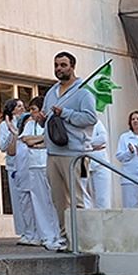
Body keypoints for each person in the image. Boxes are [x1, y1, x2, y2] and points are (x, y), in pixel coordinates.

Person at [43, 52, 98, 239]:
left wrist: (66, 113)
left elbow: (91, 118)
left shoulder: (83, 91)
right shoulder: (51, 92)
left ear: (72, 66)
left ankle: (83, 238)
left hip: (74, 153)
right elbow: (46, 116)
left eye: (63, 65)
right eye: (56, 65)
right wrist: (42, 118)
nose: (59, 69)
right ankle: (65, 237)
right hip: (53, 152)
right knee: (58, 199)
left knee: (77, 197)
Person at [15, 97, 63, 250]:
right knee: (39, 203)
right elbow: (26, 140)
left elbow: (50, 140)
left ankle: (58, 235)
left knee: (52, 202)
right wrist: (41, 140)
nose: (32, 114)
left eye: (34, 110)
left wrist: (41, 140)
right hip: (33, 166)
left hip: (45, 164)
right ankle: (46, 236)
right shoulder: (30, 124)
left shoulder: (50, 122)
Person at [0, 99, 34, 243]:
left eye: (22, 105)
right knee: (19, 201)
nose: (22, 108)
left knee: (32, 199)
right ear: (11, 110)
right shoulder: (4, 126)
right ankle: (24, 231)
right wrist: (12, 131)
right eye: (18, 106)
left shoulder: (29, 122)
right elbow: (3, 147)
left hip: (29, 165)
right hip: (14, 166)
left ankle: (34, 230)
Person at [87, 116, 111, 208]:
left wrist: (87, 145)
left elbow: (103, 138)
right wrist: (93, 145)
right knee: (86, 197)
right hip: (84, 163)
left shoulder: (97, 122)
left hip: (100, 162)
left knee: (102, 198)